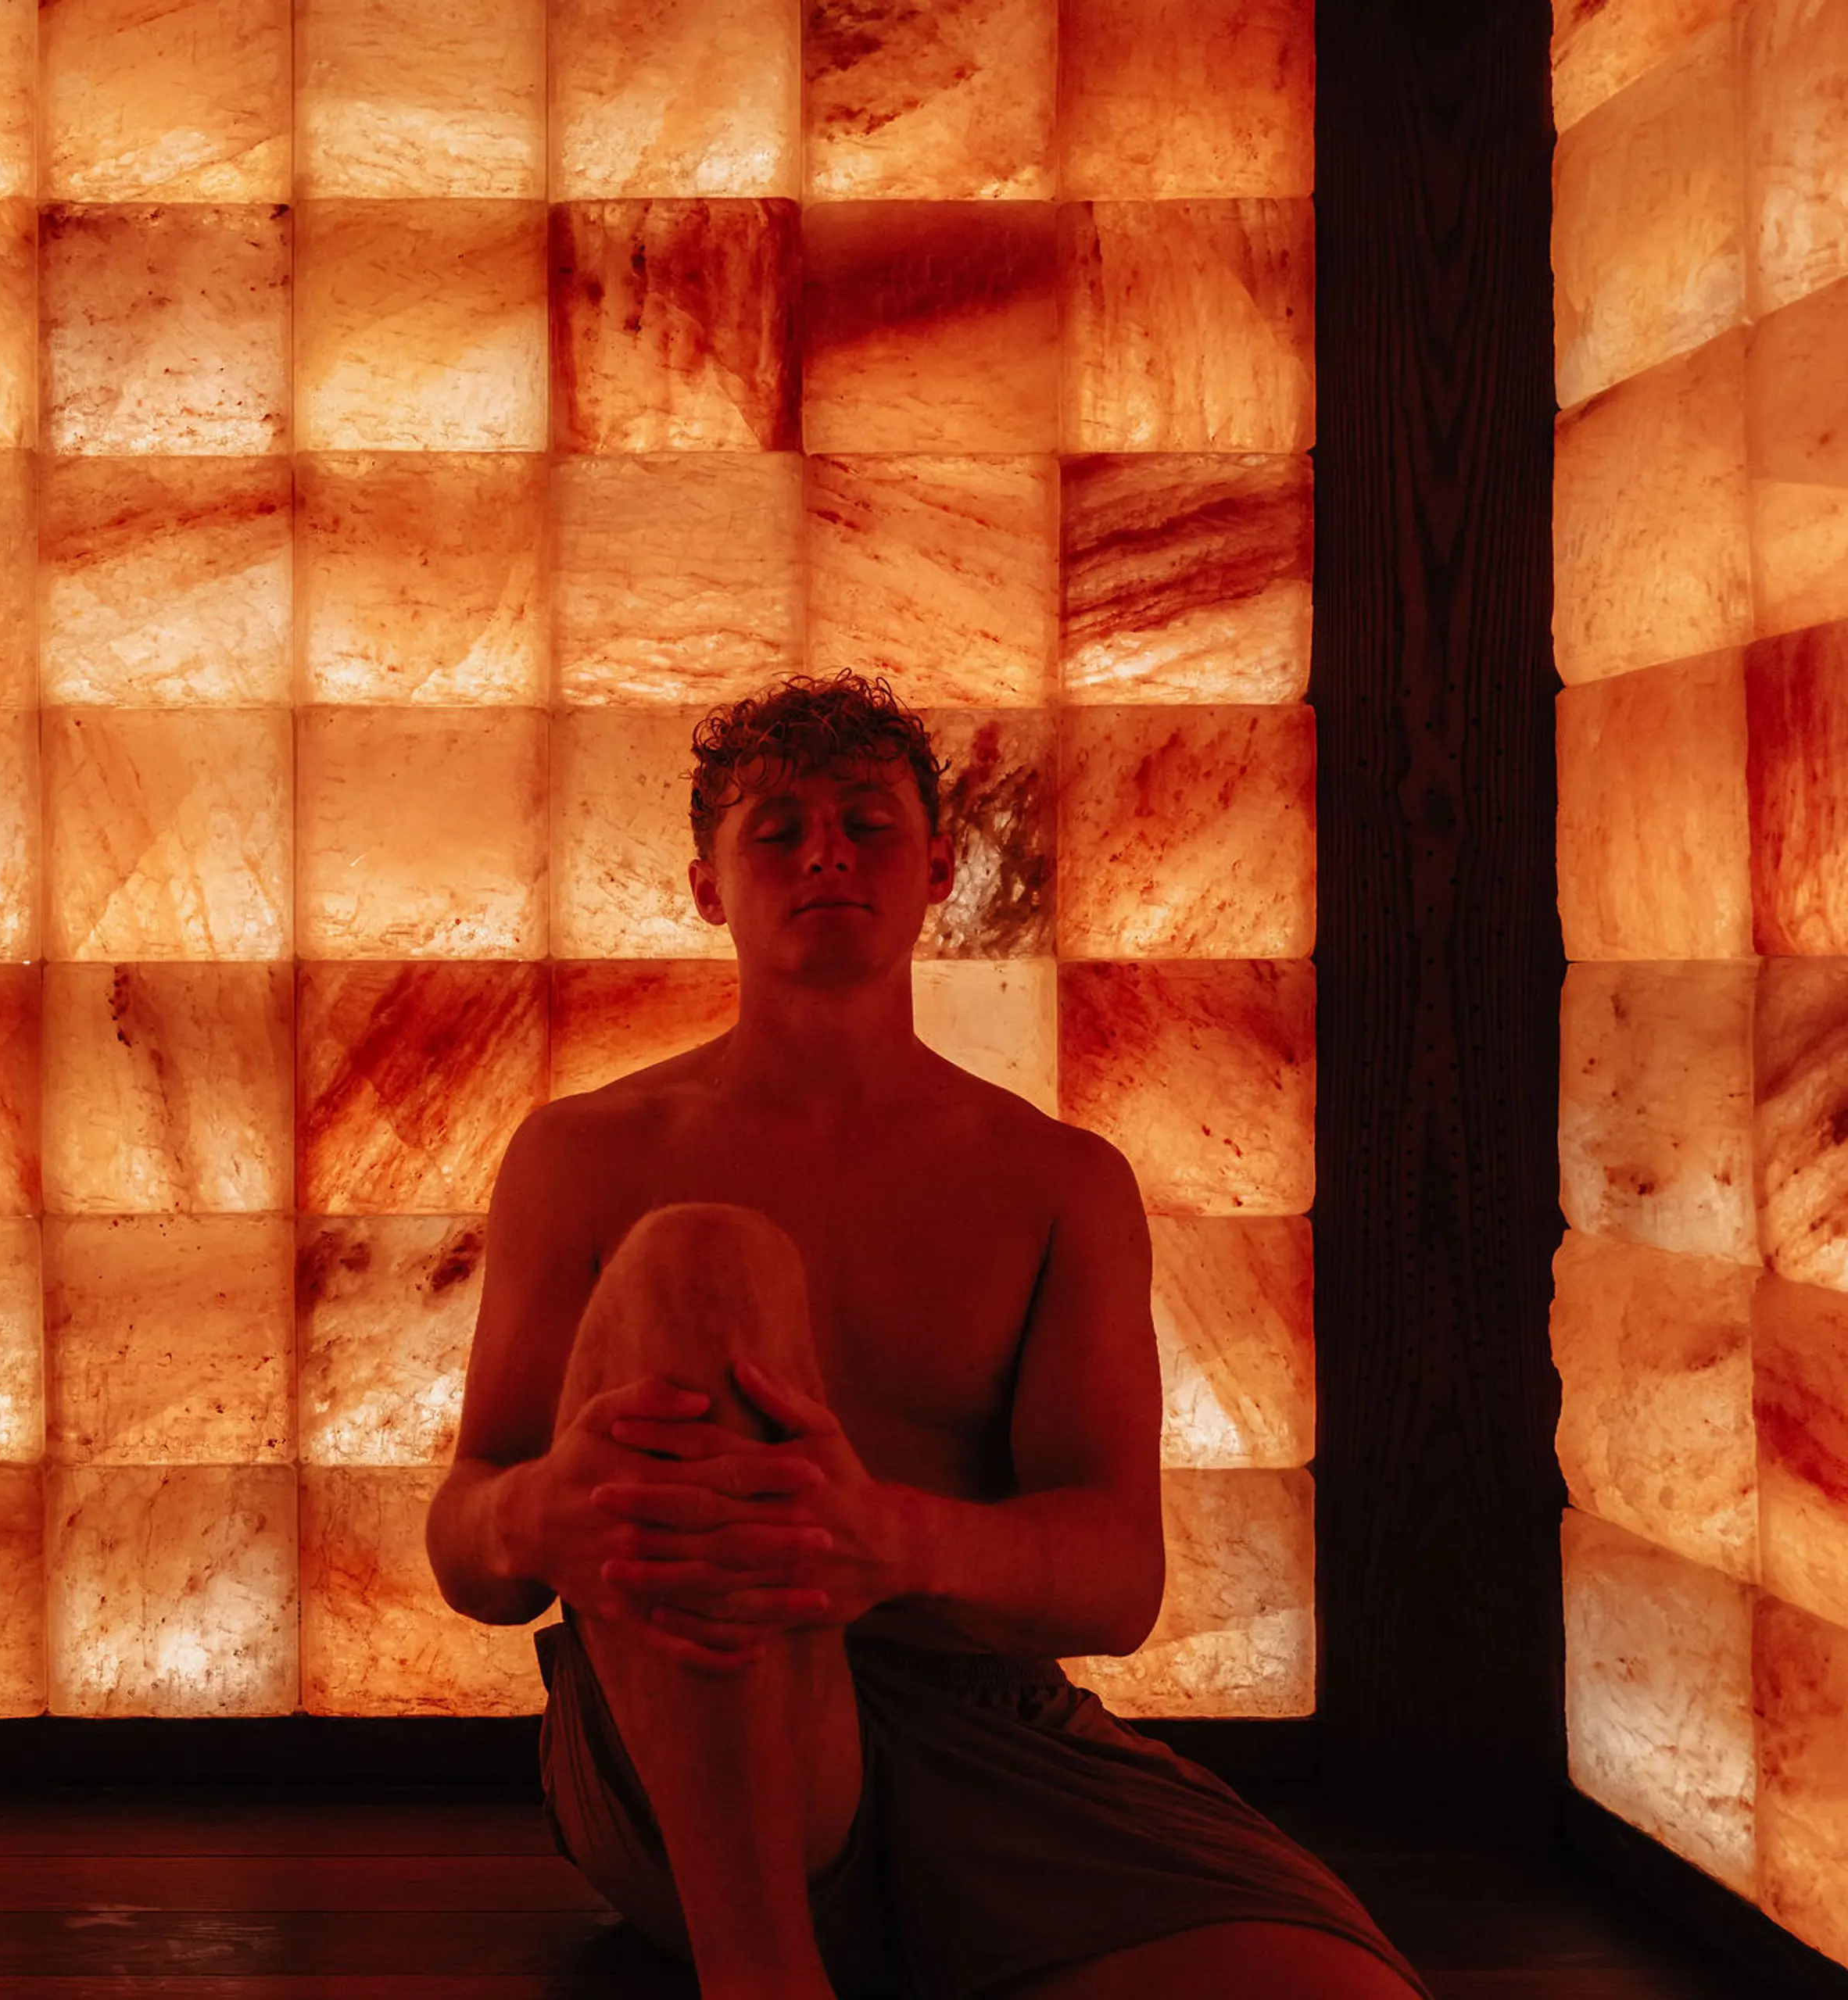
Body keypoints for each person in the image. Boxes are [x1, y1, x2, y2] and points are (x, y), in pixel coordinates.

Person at [424, 673, 1426, 2000]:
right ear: (707, 887)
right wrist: (533, 1515)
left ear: (941, 868)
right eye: (774, 827)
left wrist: (887, 1539)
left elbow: (1119, 1578)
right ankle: (763, 1975)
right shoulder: (584, 1154)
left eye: (867, 820)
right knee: (700, 1258)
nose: (825, 848)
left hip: (990, 1736)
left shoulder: (1057, 1180)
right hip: (678, 1730)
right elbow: (470, 1536)